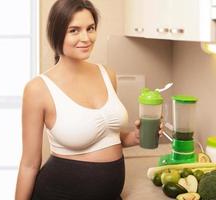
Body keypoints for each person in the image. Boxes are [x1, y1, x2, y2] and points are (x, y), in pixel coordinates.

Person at [15, 0, 162, 199]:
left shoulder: (107, 74)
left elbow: (107, 136)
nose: (86, 38)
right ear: (56, 34)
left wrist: (133, 137)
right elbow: (29, 164)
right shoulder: (38, 89)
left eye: (90, 28)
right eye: (74, 30)